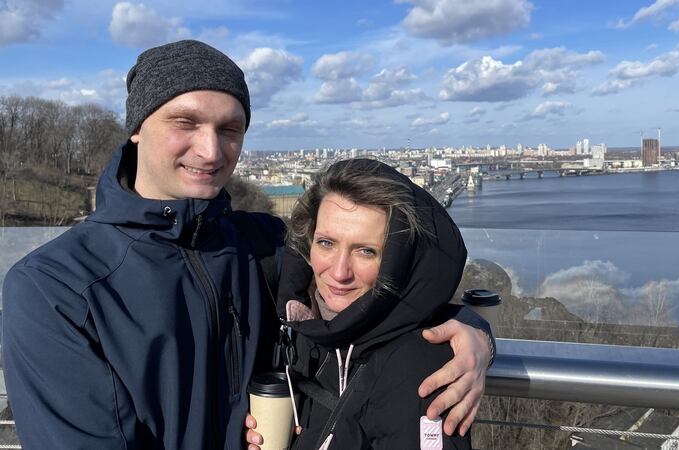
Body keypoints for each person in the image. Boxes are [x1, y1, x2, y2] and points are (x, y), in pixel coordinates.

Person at [2, 40, 492, 449]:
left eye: (230, 129)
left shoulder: (261, 245)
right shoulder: (54, 287)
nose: (211, 151)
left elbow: (376, 287)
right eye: (185, 123)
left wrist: (471, 331)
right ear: (136, 127)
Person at [250, 158, 473, 449]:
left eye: (366, 251)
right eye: (326, 243)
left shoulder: (420, 369)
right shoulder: (307, 328)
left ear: (397, 261)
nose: (340, 272)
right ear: (308, 242)